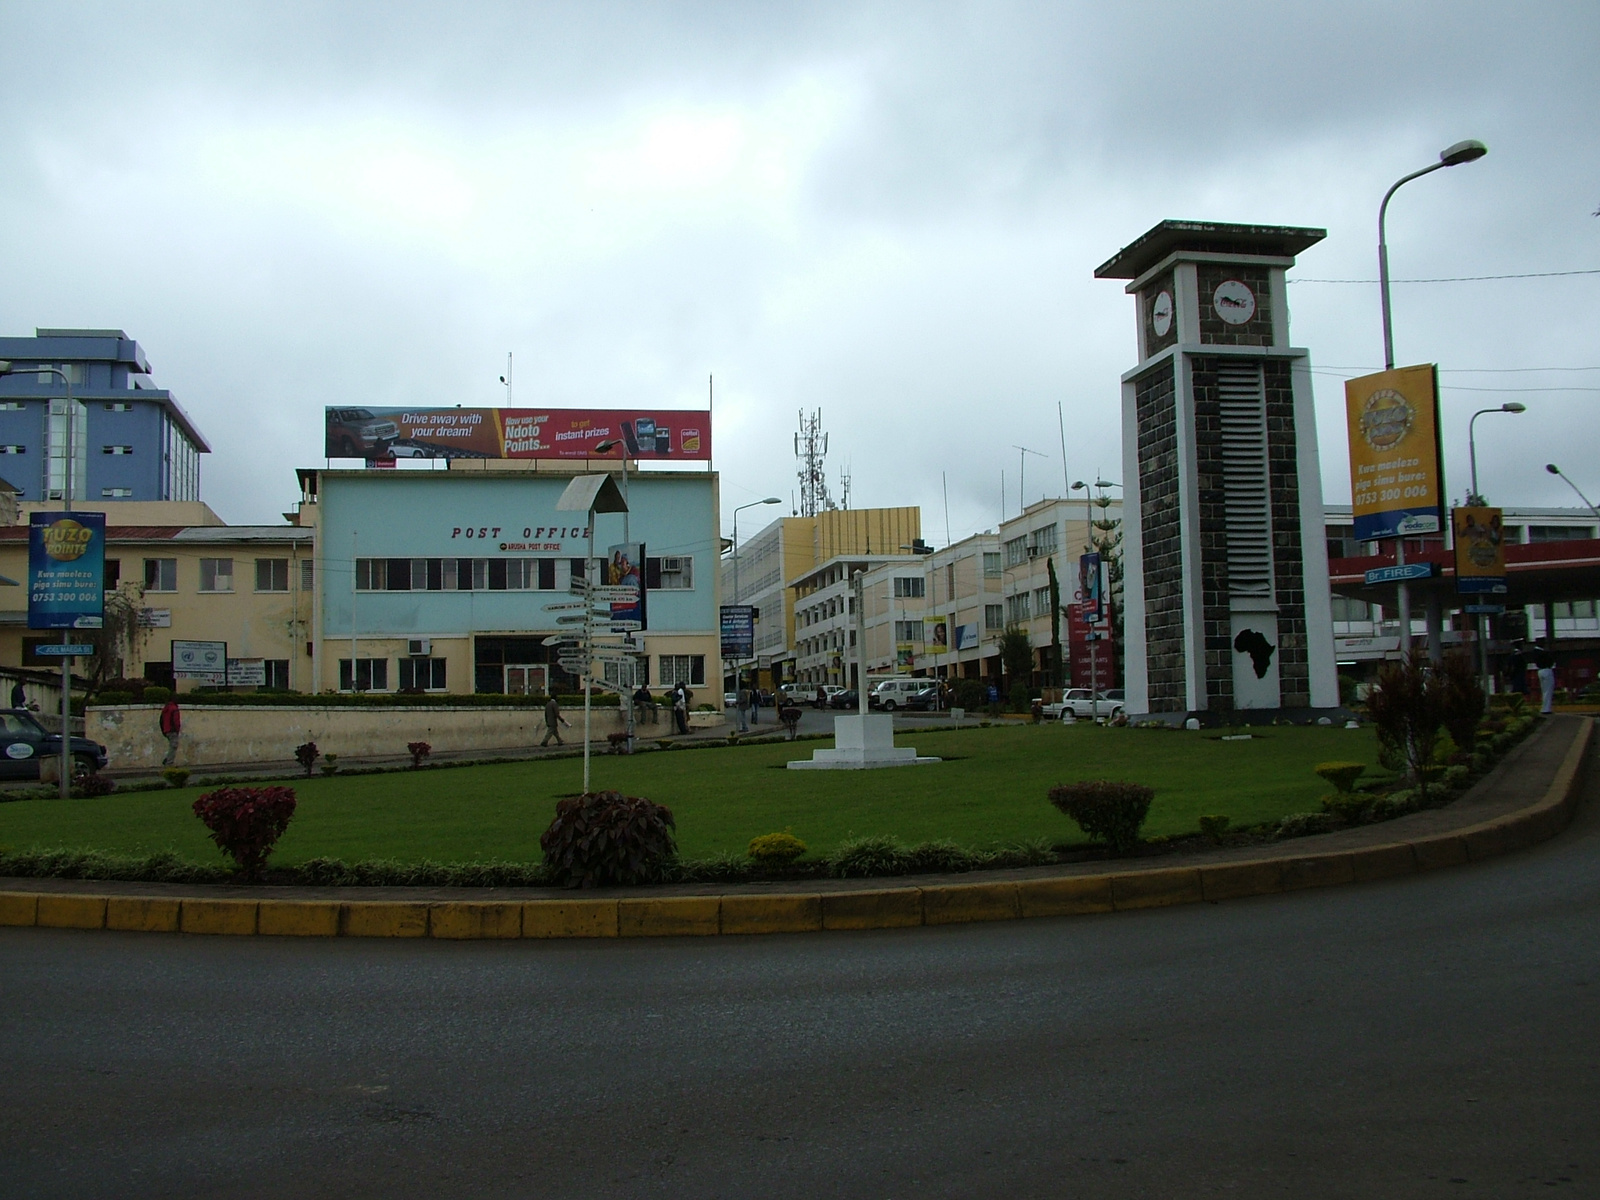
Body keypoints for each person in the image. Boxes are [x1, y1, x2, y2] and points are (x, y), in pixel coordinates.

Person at [159, 696, 182, 765]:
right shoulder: (174, 709)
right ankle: (169, 762)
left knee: (172, 745)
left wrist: (163, 730)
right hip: (173, 730)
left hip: (167, 730)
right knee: (173, 746)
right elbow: (176, 721)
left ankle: (168, 759)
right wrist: (177, 730)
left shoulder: (166, 708)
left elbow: (161, 720)